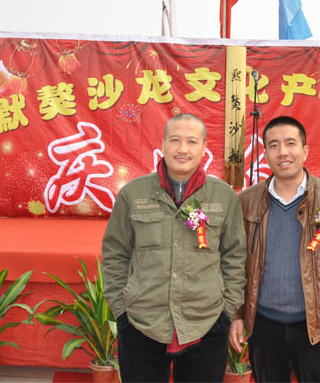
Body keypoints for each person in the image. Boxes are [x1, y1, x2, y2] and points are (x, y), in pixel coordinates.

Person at [102, 112, 246, 383]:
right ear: (163, 144)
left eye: (192, 141)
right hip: (141, 321)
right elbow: (115, 253)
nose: (183, 149)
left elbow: (234, 257)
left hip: (206, 321)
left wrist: (226, 311)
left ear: (204, 148)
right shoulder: (133, 194)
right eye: (175, 140)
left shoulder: (224, 197)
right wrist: (121, 310)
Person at [229, 116, 320, 383]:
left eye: (290, 143)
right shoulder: (247, 201)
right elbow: (235, 264)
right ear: (265, 154)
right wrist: (236, 315)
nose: (282, 152)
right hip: (264, 327)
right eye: (273, 145)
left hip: (318, 329)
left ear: (305, 151)